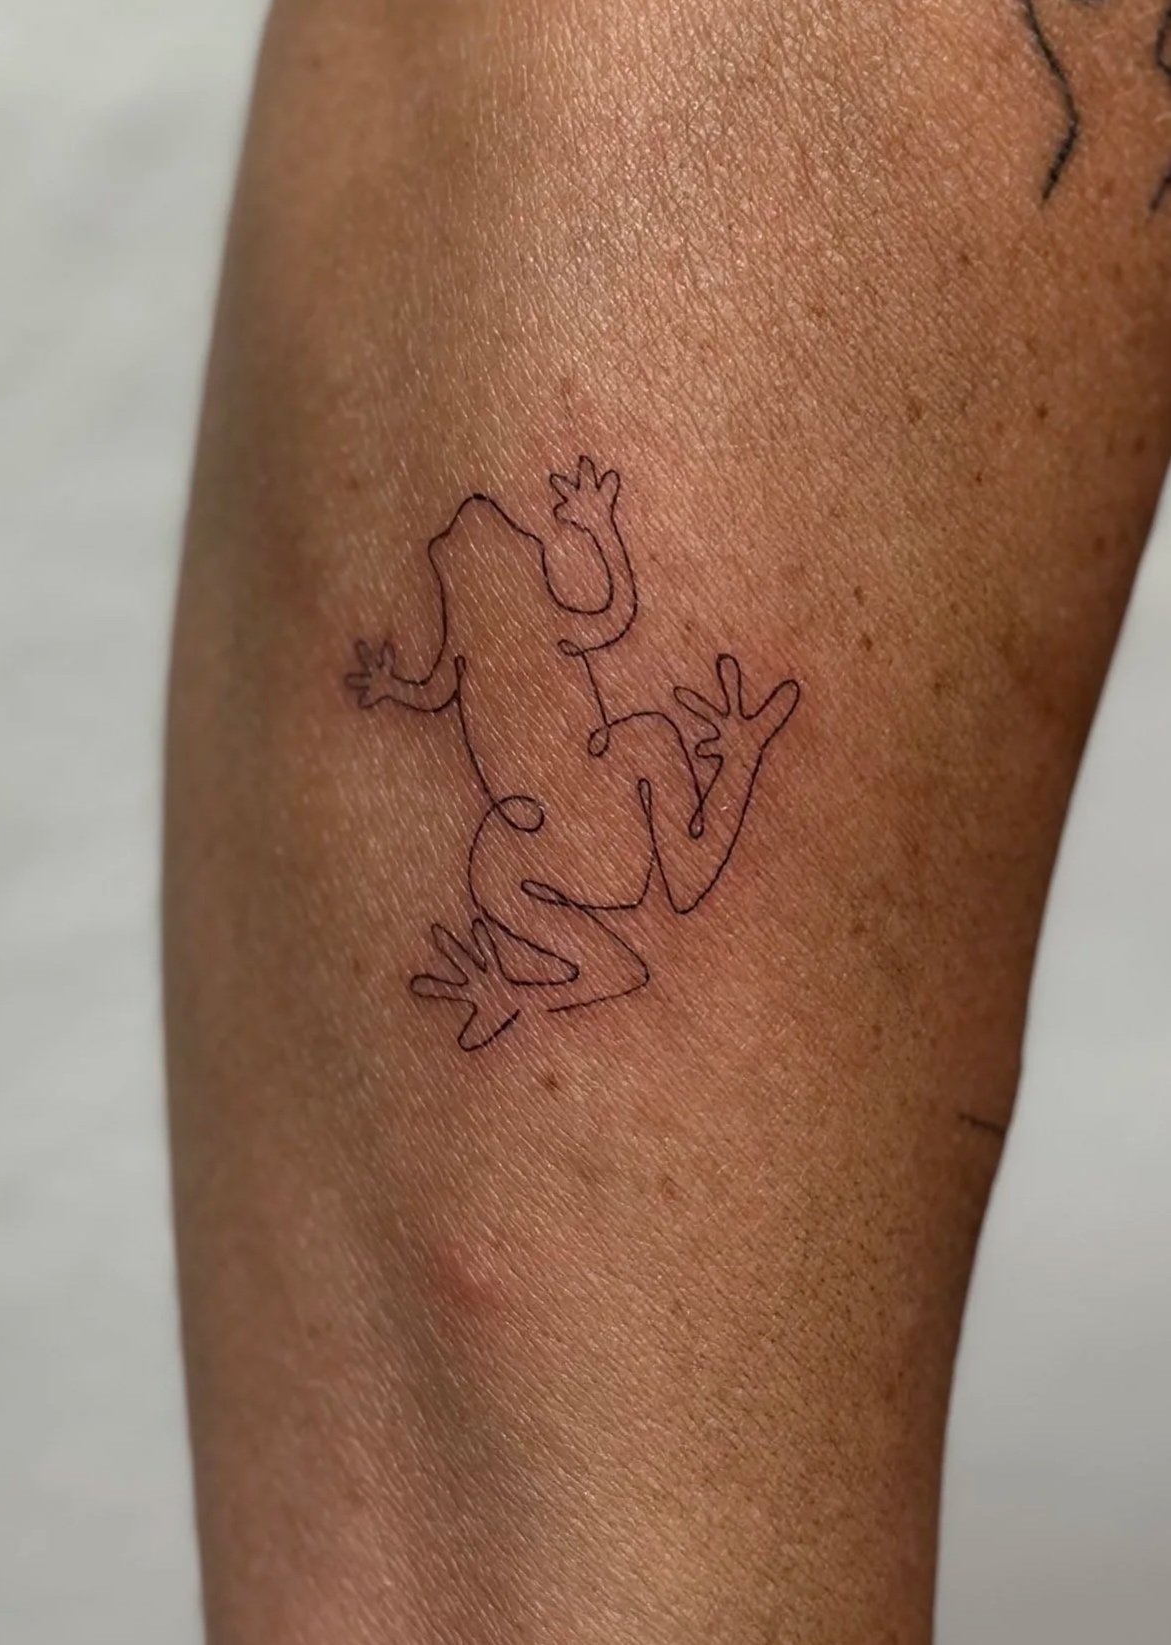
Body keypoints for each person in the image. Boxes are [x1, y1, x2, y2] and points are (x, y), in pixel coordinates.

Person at [163, 2, 1171, 1638]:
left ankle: (655, 839)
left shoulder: (510, 598)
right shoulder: (489, 590)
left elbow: (545, 627)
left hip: (575, 804)